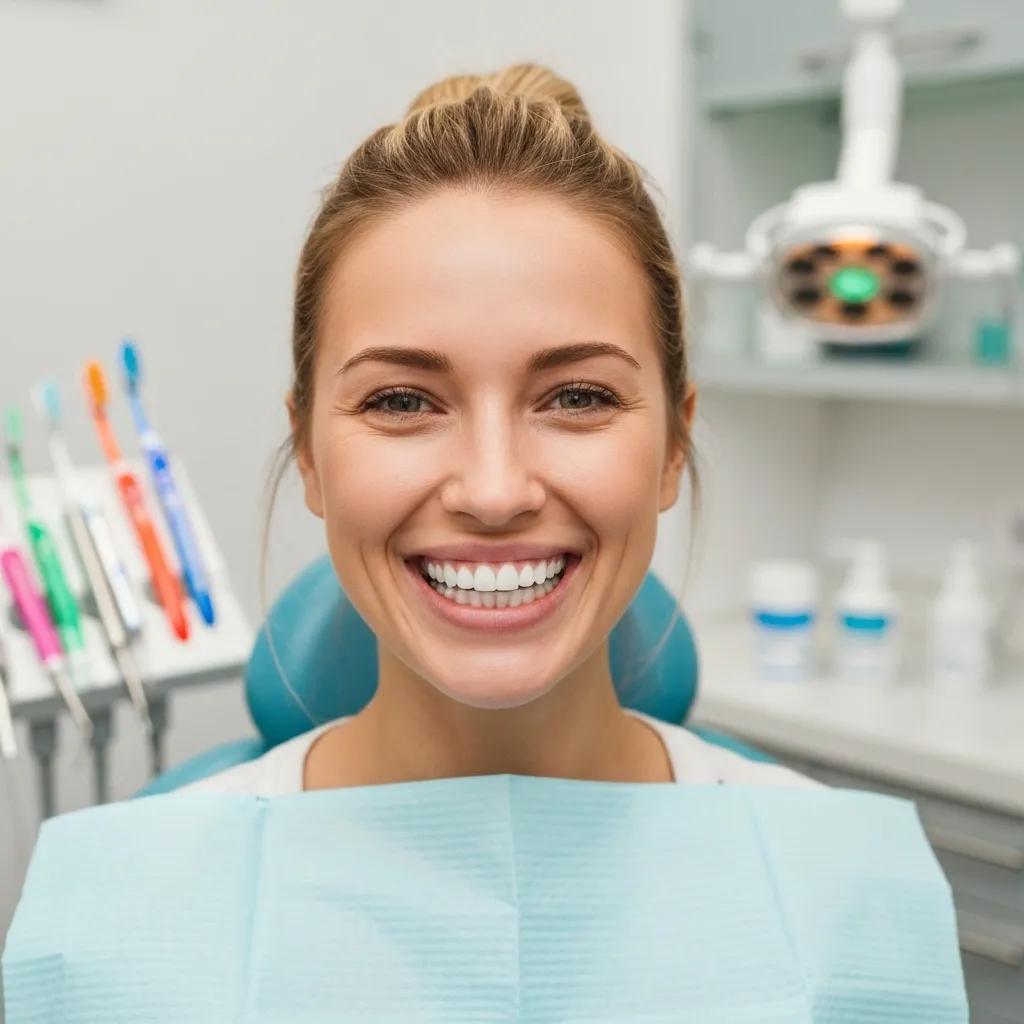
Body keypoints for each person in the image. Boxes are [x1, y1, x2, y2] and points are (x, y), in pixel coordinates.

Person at [181, 62, 818, 797]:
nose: (493, 491)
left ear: (674, 447)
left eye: (577, 397)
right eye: (400, 402)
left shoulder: (835, 876)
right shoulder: (145, 889)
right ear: (309, 458)